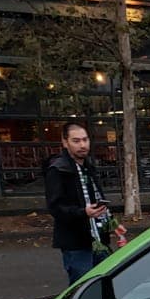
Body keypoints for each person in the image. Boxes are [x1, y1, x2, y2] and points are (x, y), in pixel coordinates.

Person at [45, 121, 111, 284]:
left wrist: (111, 222)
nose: (82, 145)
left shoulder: (89, 167)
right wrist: (83, 212)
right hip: (76, 243)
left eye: (85, 140)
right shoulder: (58, 169)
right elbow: (55, 208)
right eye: (76, 141)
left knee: (105, 285)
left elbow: (96, 197)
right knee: (82, 288)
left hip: (98, 239)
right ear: (65, 142)